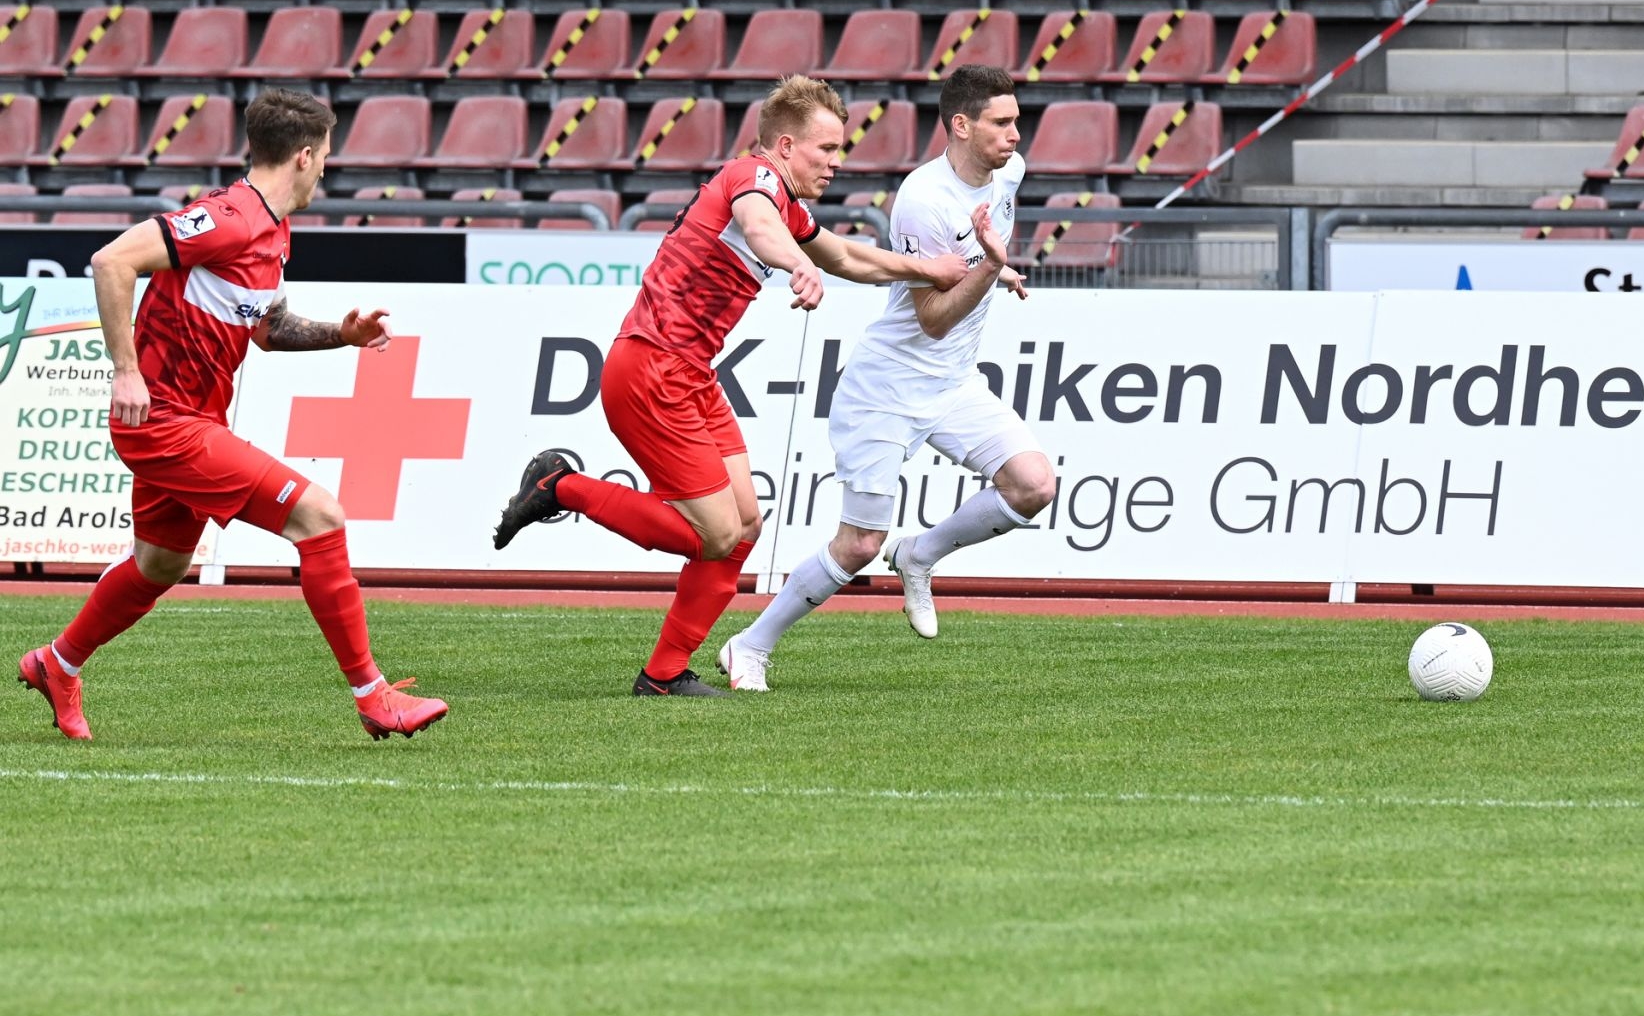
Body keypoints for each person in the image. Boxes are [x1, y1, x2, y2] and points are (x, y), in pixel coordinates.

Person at [492, 75, 970, 696]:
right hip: (651, 368)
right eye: (826, 149)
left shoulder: (785, 201)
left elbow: (848, 258)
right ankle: (561, 486)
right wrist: (797, 264)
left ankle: (663, 675)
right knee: (714, 534)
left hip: (689, 373)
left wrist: (929, 270)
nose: (836, 162)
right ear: (786, 145)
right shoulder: (755, 177)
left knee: (744, 527)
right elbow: (762, 228)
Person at [16, 89, 448, 742]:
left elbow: (268, 329)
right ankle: (373, 695)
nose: (325, 171)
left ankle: (58, 662)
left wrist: (343, 334)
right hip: (163, 420)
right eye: (325, 157)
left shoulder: (273, 230)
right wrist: (126, 369)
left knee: (160, 565)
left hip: (194, 420)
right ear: (304, 156)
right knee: (320, 516)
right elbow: (112, 260)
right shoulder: (229, 219)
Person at [716, 66, 1055, 692]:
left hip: (953, 382)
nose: (1016, 135)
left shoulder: (1010, 172)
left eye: (1017, 121)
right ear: (960, 125)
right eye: (1002, 123)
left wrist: (994, 270)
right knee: (859, 543)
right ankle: (750, 645)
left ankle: (920, 554)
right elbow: (933, 319)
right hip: (889, 387)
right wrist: (990, 269)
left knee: (1034, 485)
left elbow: (972, 262)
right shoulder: (923, 200)